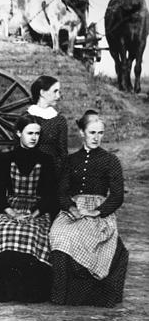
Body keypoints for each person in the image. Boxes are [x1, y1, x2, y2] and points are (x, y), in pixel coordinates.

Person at [0, 115, 59, 302]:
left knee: (32, 233)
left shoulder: (46, 160)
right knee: (3, 231)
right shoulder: (5, 159)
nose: (34, 137)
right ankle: (5, 287)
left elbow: (51, 195)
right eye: (29, 133)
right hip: (9, 207)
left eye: (37, 133)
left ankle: (28, 289)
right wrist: (11, 213)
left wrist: (33, 213)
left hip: (37, 208)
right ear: (19, 133)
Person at [48, 111, 128, 306]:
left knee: (86, 235)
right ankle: (61, 295)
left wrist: (97, 212)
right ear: (82, 132)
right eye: (92, 132)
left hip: (100, 212)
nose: (96, 137)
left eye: (100, 133)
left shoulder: (111, 160)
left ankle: (91, 293)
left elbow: (117, 195)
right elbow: (61, 191)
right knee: (59, 235)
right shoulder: (71, 160)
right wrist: (71, 208)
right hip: (73, 210)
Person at [27, 75, 69, 176]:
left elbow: (63, 153)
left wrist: (54, 173)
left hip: (52, 174)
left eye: (59, 92)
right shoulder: (26, 118)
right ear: (42, 93)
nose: (58, 96)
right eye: (55, 91)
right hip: (29, 173)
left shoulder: (59, 120)